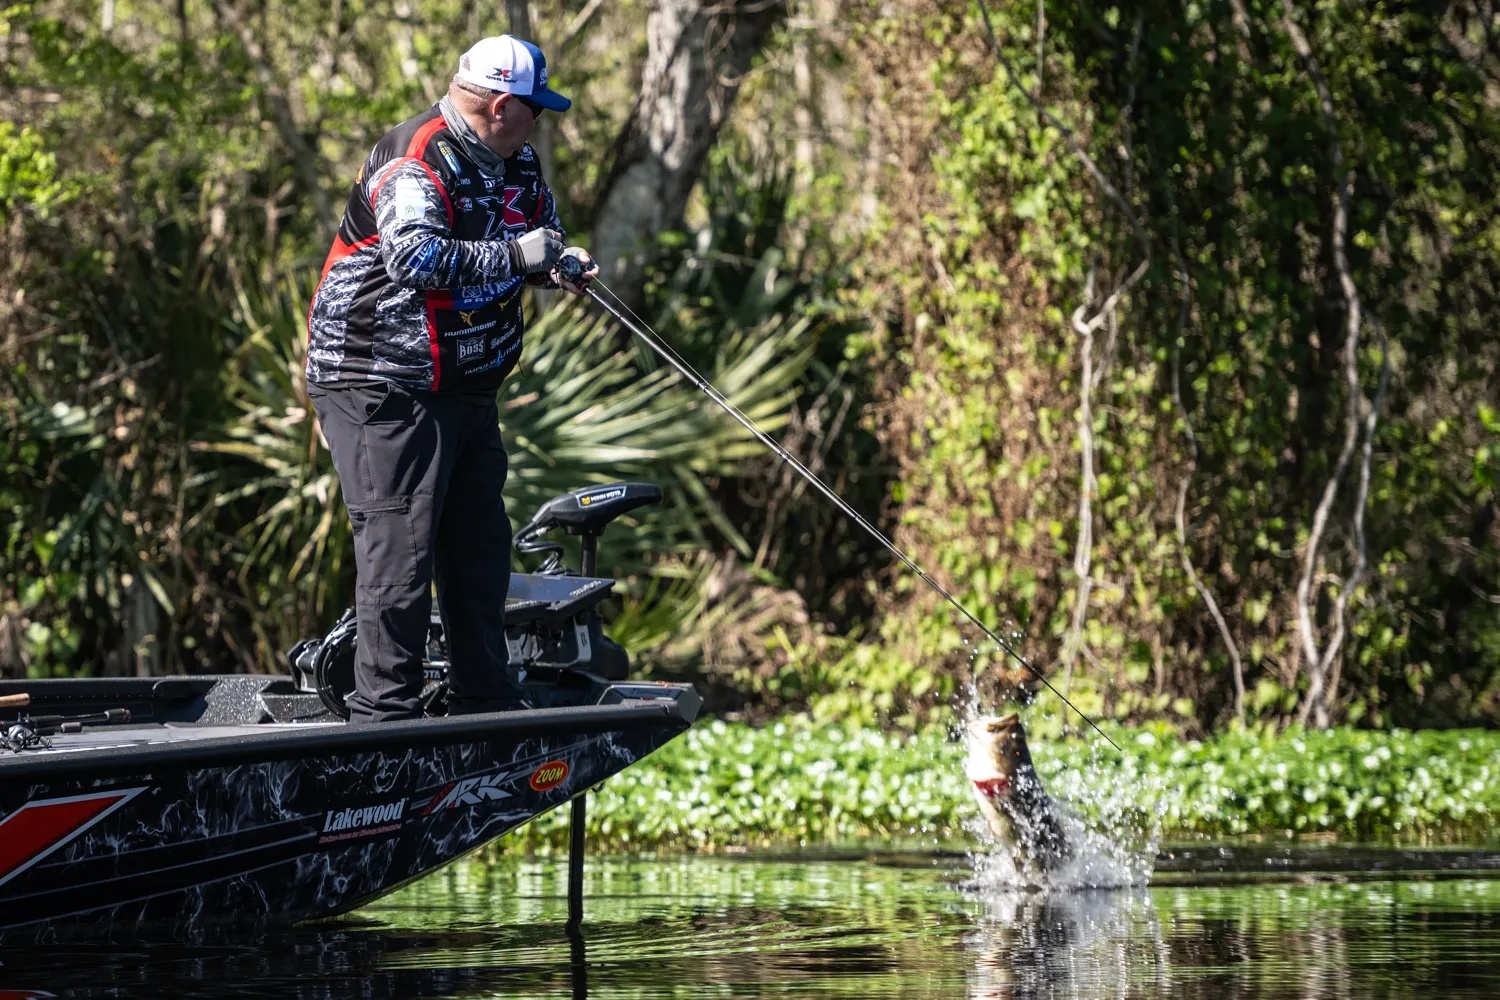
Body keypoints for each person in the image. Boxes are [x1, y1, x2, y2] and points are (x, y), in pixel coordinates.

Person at [305, 34, 599, 723]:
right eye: (538, 110)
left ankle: (485, 697)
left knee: (478, 543)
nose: (542, 123)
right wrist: (514, 255)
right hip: (379, 381)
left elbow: (534, 237)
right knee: (399, 546)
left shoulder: (516, 162)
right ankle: (385, 714)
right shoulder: (415, 159)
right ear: (501, 106)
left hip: (463, 384)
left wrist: (555, 261)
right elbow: (415, 258)